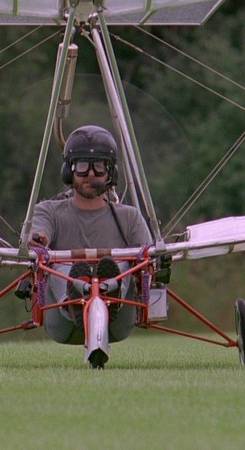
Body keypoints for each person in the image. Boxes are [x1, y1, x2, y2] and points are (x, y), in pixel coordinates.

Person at [30, 125, 152, 345]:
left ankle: (110, 296)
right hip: (65, 323)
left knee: (123, 263)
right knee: (59, 266)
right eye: (82, 167)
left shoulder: (129, 217)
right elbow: (37, 236)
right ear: (69, 170)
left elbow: (151, 259)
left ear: (111, 172)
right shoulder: (48, 211)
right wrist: (40, 240)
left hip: (116, 323)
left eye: (99, 167)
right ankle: (75, 300)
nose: (91, 174)